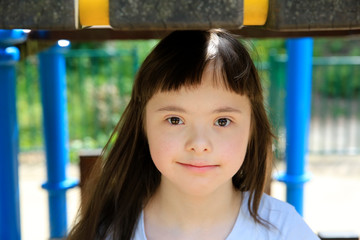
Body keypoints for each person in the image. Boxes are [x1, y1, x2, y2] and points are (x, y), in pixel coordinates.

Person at [67, 29, 319, 240]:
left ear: (253, 128)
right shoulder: (109, 232)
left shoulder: (284, 230)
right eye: (175, 120)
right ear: (142, 124)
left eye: (222, 121)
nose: (199, 144)